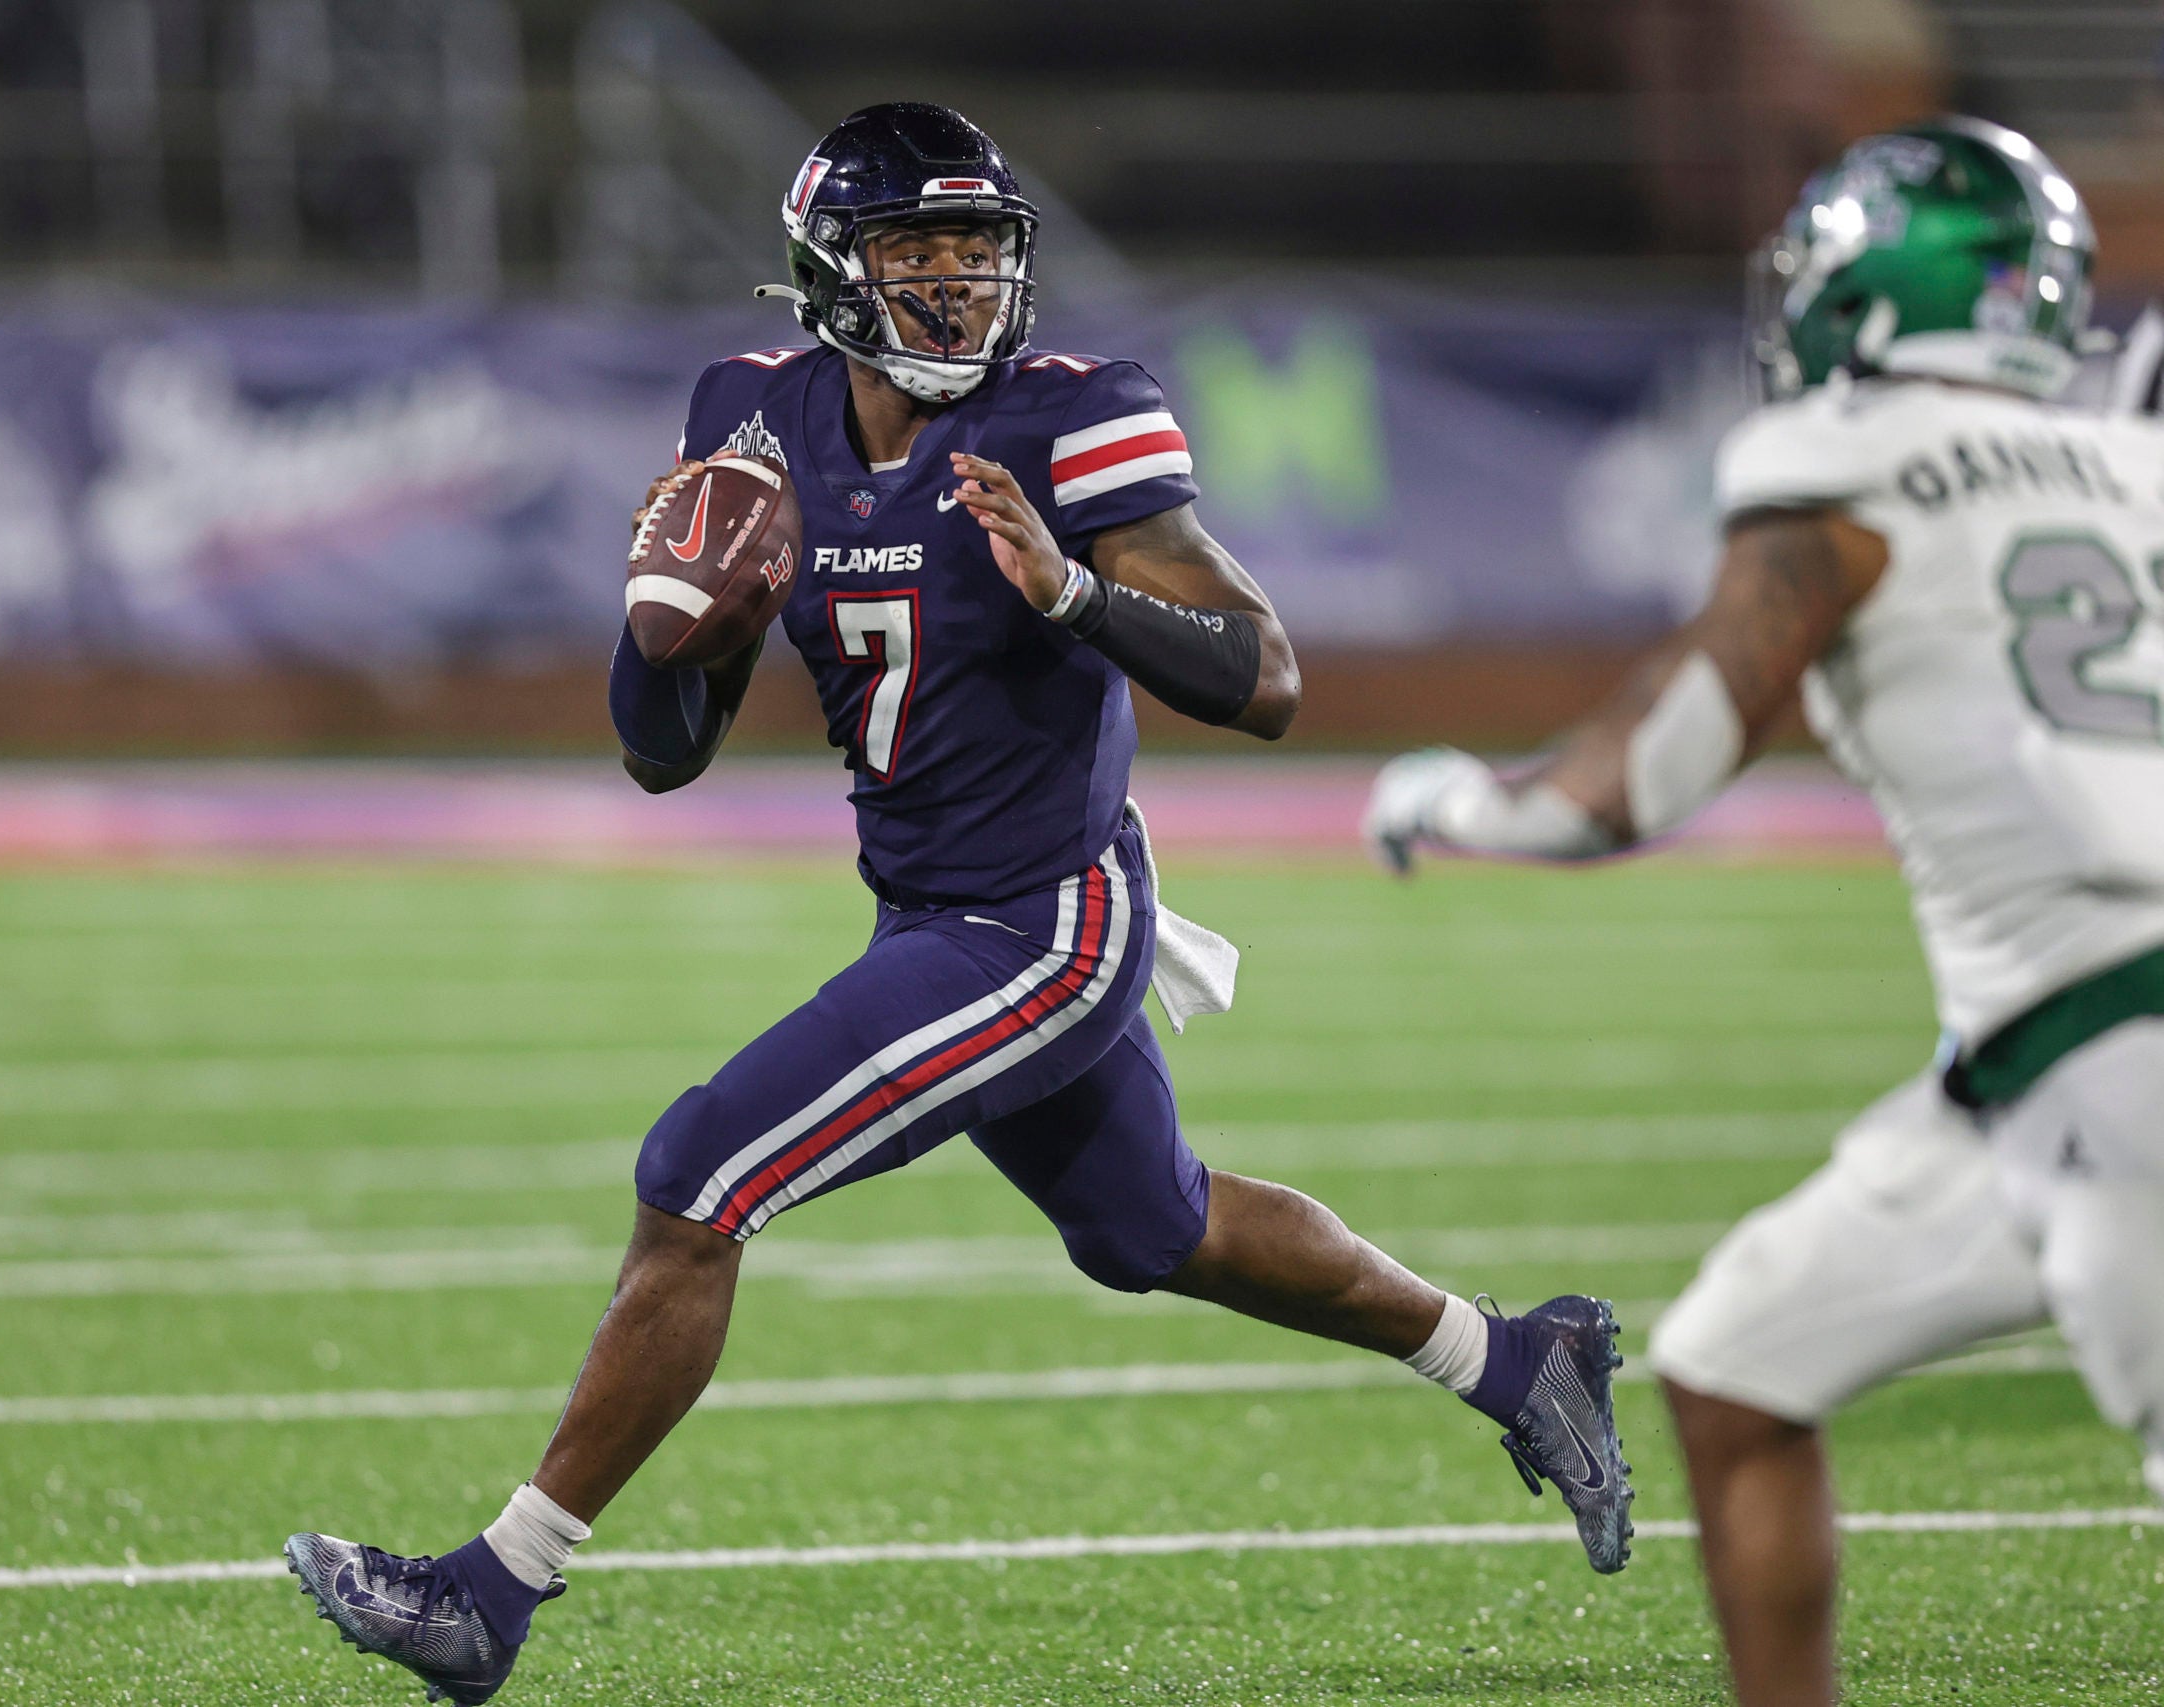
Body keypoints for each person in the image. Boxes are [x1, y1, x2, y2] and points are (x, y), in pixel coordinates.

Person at [284, 102, 1634, 1705]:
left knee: (698, 1173)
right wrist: (682, 629)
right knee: (1156, 1229)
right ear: (831, 271)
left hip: (1048, 923)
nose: (956, 285)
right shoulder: (753, 414)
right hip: (928, 910)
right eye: (917, 252)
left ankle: (491, 1592)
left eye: (978, 250)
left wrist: (1072, 590)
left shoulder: (1072, 421)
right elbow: (662, 758)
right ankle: (1515, 1358)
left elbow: (1266, 678)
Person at [1363, 115, 2164, 1707]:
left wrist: (1452, 798)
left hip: (2118, 1060)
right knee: (1740, 1361)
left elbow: (1632, 782)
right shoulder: (2133, 456)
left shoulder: (1843, 456)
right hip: (2026, 1064)